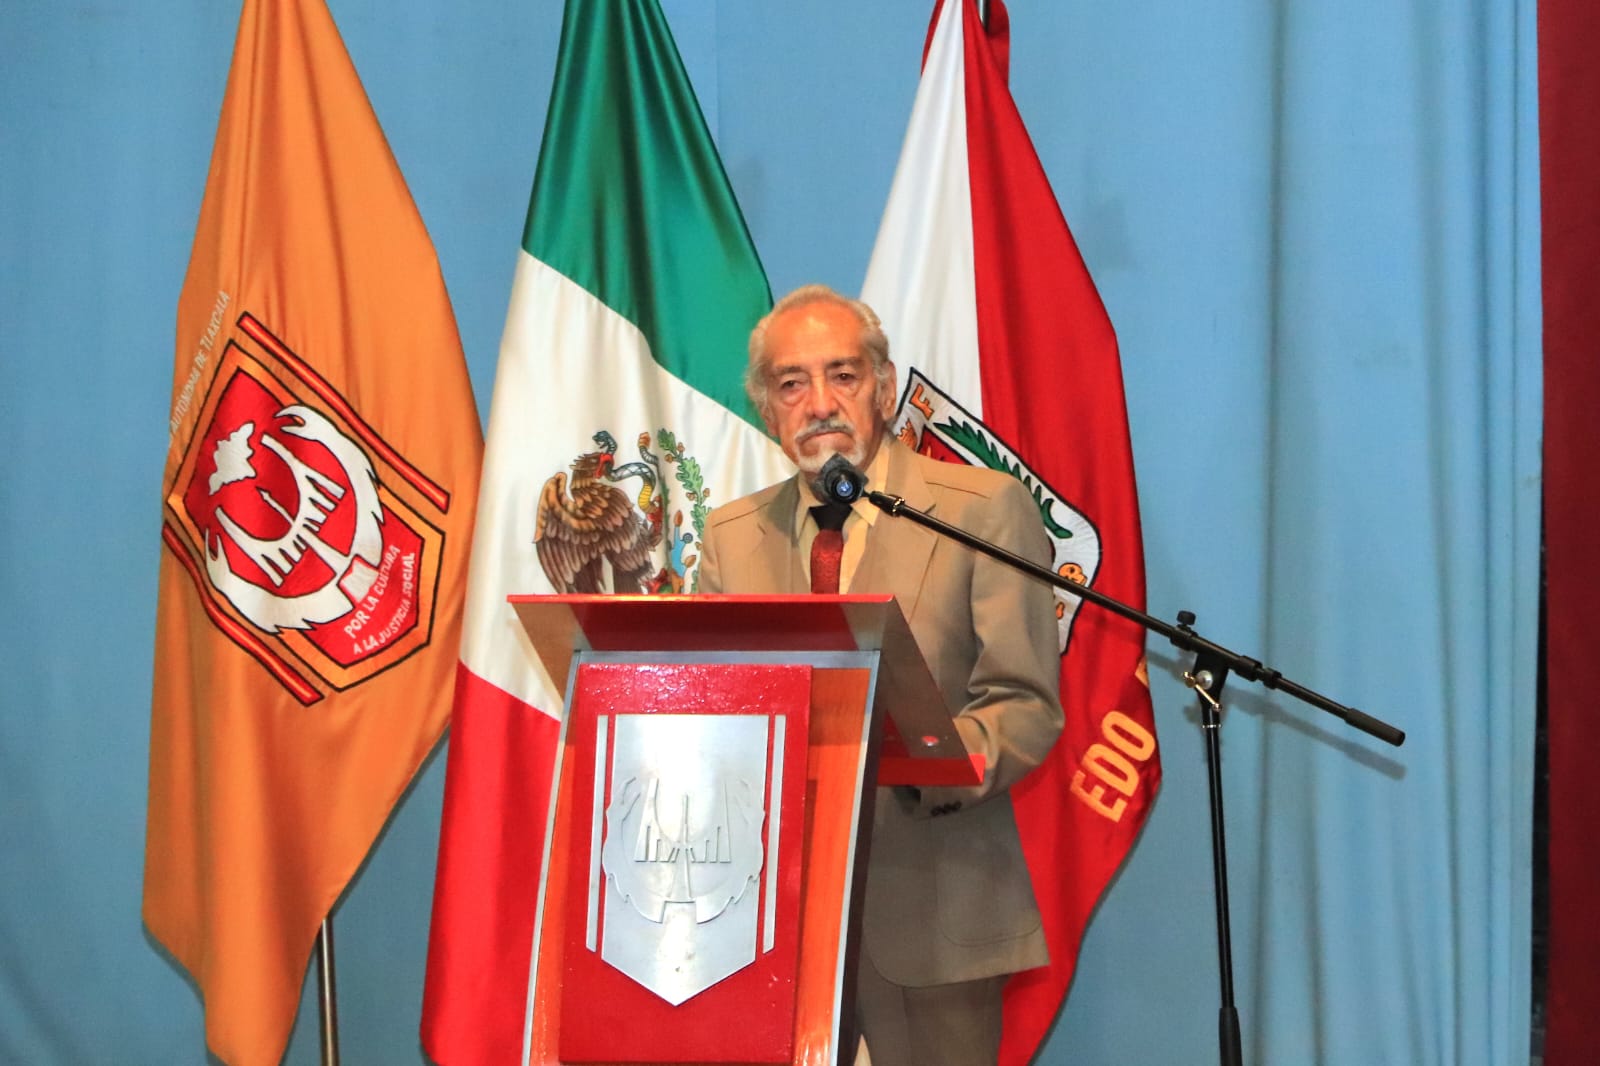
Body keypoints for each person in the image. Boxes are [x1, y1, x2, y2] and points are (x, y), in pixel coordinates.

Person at [697, 284, 1064, 1066]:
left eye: (844, 375)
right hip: (769, 925)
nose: (820, 403)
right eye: (792, 384)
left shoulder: (981, 511)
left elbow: (1025, 703)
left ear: (886, 388)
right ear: (767, 407)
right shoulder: (731, 538)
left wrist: (924, 764)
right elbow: (711, 710)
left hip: (933, 910)